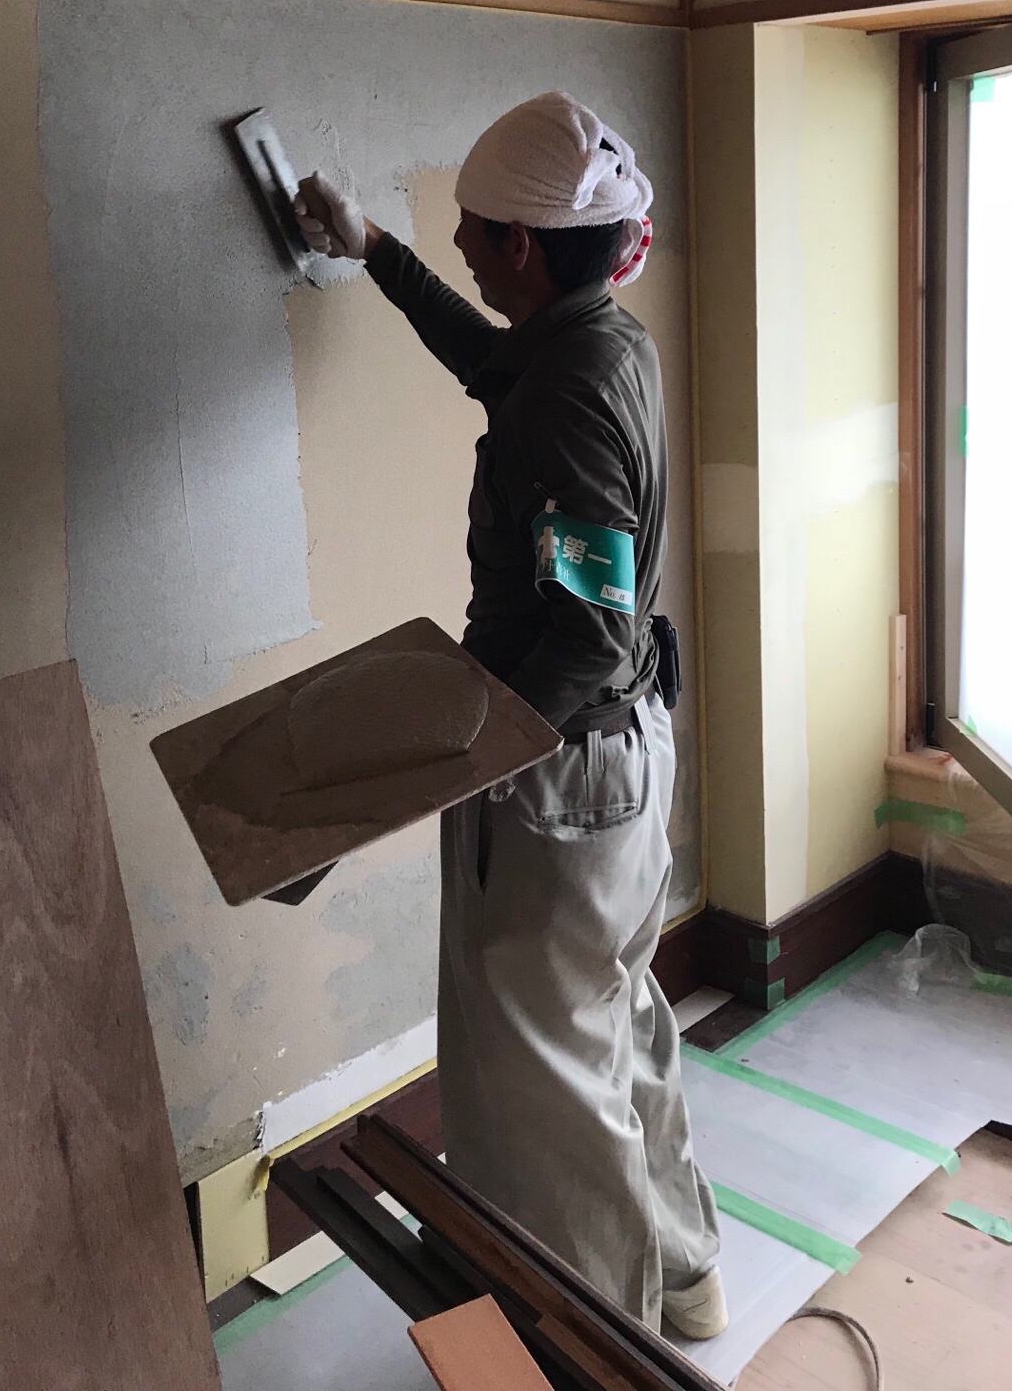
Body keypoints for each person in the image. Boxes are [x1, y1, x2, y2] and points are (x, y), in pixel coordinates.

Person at [294, 91, 725, 1341]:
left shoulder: (569, 394)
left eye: (474, 231)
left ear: (524, 248)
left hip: (562, 780)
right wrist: (378, 252)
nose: (464, 246)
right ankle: (686, 1281)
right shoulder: (599, 342)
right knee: (617, 1022)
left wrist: (469, 759)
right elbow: (492, 364)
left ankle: (599, 1347)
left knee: (547, 1087)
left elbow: (593, 636)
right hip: (620, 763)